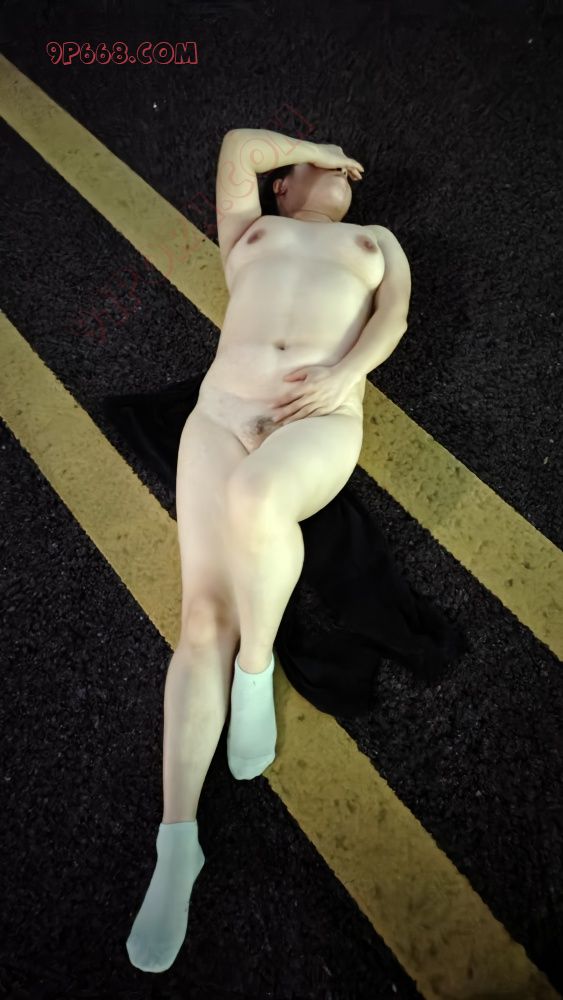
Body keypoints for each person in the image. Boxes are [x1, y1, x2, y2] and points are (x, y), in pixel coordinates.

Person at [118, 129, 469, 973]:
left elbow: (394, 315)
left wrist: (346, 374)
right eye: (317, 166)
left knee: (256, 498)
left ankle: (256, 670)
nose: (341, 173)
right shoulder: (251, 231)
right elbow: (238, 145)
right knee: (200, 621)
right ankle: (176, 843)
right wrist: (319, 144)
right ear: (282, 186)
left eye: (344, 168)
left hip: (319, 418)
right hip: (217, 415)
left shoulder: (374, 241)